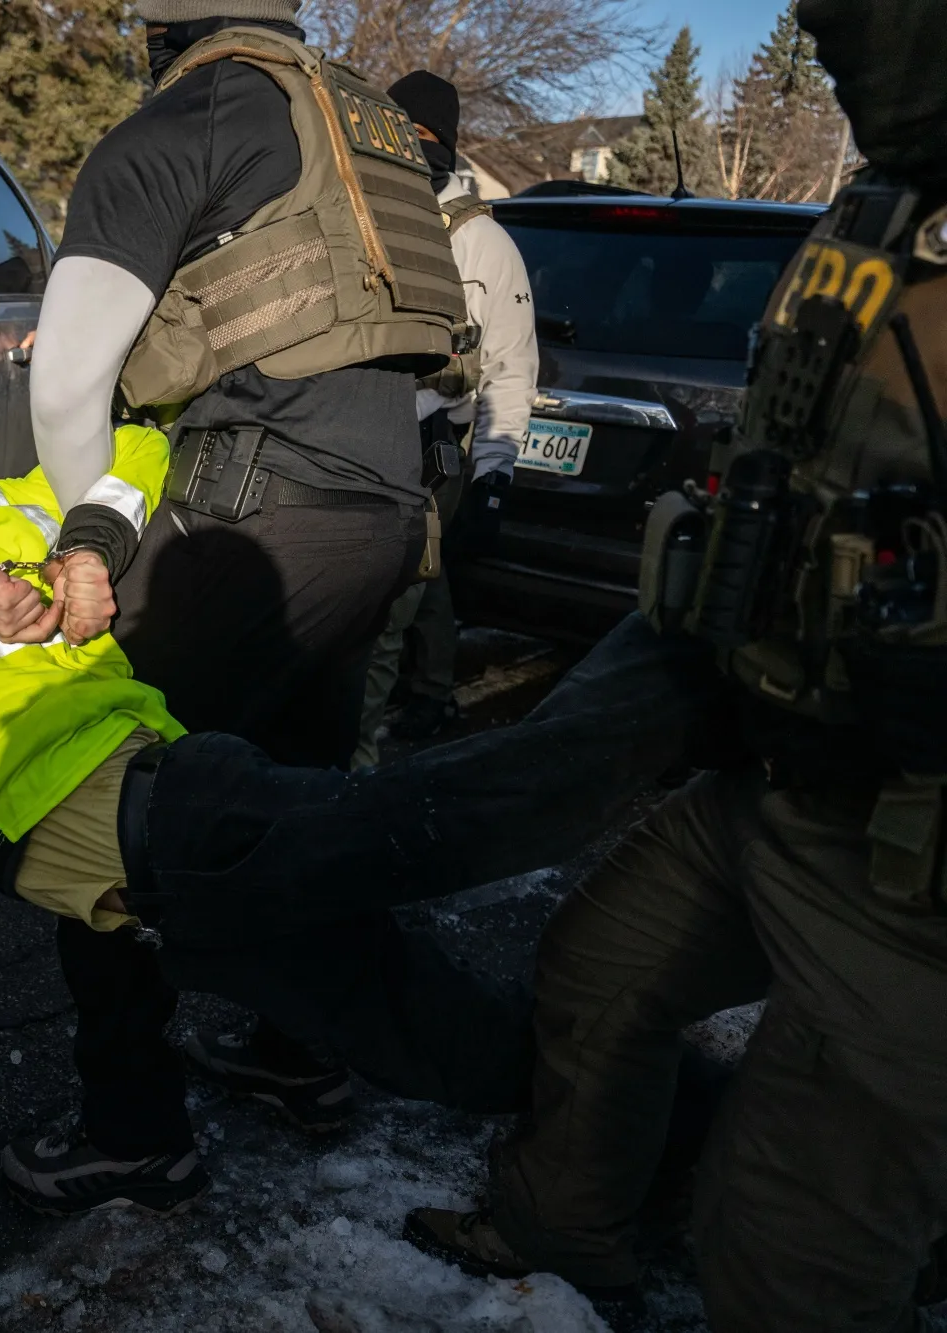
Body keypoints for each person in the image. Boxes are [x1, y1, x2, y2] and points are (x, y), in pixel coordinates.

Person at [0, 425, 725, 1217]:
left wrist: (79, 552)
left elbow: (136, 447)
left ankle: (697, 651)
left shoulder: (5, 510)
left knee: (462, 810)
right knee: (428, 1032)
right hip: (153, 881)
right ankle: (713, 1120)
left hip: (166, 810)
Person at [404, 3, 947, 1328]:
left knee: (787, 1235)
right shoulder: (887, 204)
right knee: (599, 969)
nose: (817, 25)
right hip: (779, 763)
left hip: (913, 863)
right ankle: (558, 1225)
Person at [20, 0, 469, 1203]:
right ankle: (301, 1056)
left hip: (253, 516)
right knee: (294, 799)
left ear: (161, 28)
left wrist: (84, 547)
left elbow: (66, 384)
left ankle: (131, 1125)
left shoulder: (188, 120)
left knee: (112, 809)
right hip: (381, 520)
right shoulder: (358, 127)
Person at [354, 71, 536, 762]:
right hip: (351, 437)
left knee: (384, 613)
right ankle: (432, 688)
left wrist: (494, 472)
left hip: (429, 451)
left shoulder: (484, 246)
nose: (409, 153)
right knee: (420, 581)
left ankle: (354, 767)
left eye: (424, 139)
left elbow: (510, 367)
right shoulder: (358, 210)